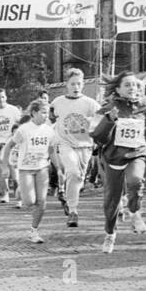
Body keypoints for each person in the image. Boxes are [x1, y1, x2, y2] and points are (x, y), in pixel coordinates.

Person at [91, 71, 146, 253]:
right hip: (114, 157)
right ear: (117, 89)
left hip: (136, 154)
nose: (133, 88)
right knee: (112, 200)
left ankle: (135, 212)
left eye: (135, 85)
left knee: (135, 181)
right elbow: (96, 135)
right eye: (127, 85)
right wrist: (109, 120)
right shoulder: (107, 109)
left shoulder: (144, 108)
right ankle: (110, 234)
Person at [50, 67, 101, 228]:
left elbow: (101, 122)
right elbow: (49, 120)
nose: (76, 87)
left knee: (79, 177)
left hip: (84, 145)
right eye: (73, 84)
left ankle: (67, 195)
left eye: (79, 83)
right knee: (72, 171)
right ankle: (73, 211)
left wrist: (92, 124)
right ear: (67, 84)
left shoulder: (91, 104)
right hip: (65, 143)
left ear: (83, 84)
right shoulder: (57, 102)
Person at [10, 99, 56, 244]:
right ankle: (20, 191)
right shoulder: (23, 129)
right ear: (34, 113)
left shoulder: (49, 130)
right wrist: (6, 163)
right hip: (26, 169)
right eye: (43, 112)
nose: (46, 116)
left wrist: (59, 168)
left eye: (47, 113)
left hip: (42, 168)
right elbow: (10, 145)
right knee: (30, 202)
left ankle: (34, 231)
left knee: (41, 202)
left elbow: (52, 150)